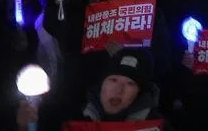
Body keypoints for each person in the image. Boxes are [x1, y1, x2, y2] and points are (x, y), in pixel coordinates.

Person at [20, 49, 163, 129]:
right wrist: (26, 127)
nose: (119, 89)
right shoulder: (71, 118)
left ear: (139, 94)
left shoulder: (157, 126)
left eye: (130, 83)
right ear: (101, 85)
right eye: (113, 80)